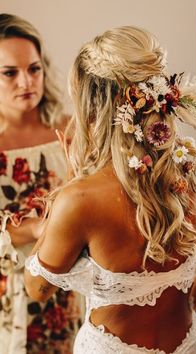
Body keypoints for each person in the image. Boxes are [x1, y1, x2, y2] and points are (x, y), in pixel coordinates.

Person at [24, 26, 196, 354]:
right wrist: (167, 304)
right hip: (189, 346)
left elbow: (37, 288)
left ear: (93, 105)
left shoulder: (78, 200)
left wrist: (69, 183)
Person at [0, 14, 81, 354]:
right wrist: (32, 229)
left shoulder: (69, 131)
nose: (25, 82)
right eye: (9, 73)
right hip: (7, 297)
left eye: (34, 69)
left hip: (66, 286)